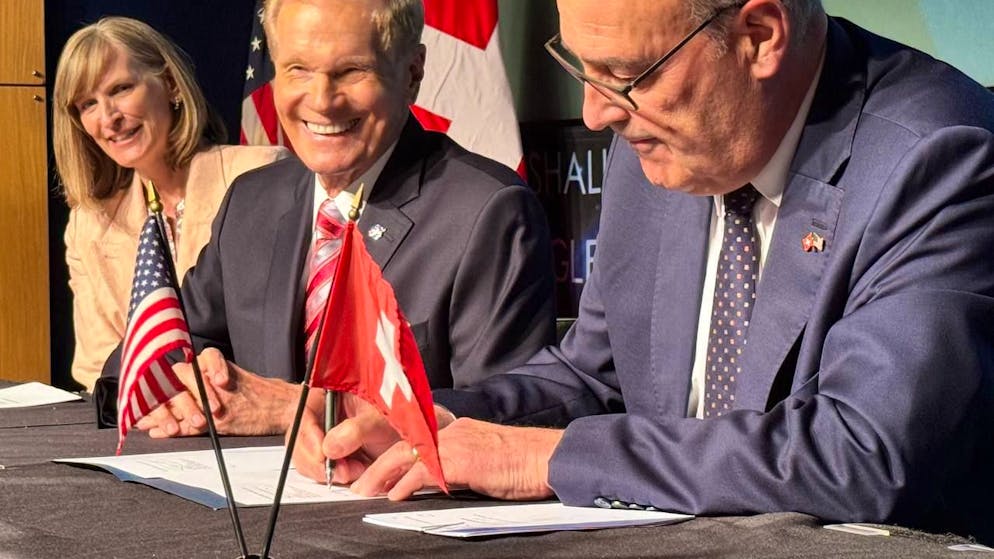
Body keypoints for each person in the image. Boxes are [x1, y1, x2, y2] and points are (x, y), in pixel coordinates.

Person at [298, 0, 994, 543]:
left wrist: (548, 458)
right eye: (582, 68)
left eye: (626, 75)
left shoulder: (939, 156)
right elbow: (592, 377)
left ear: (759, 37)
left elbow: (859, 453)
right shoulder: (660, 145)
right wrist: (437, 421)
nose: (596, 111)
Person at [92, 0, 555, 437]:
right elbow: (151, 351)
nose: (322, 100)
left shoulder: (486, 213)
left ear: (413, 72)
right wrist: (182, 388)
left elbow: (503, 422)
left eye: (351, 71)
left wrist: (303, 409)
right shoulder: (252, 202)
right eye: (298, 70)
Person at [53, 17, 288, 394]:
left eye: (121, 89)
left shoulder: (261, 176)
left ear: (171, 84)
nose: (108, 118)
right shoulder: (88, 225)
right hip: (149, 419)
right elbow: (98, 369)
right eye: (88, 104)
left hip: (252, 408)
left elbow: (284, 341)